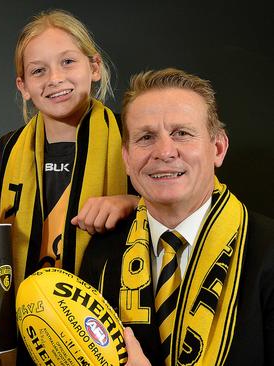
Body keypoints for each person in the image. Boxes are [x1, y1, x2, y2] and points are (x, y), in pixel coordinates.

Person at [80, 68, 274, 365]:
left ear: (218, 148)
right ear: (127, 159)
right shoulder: (102, 254)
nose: (164, 151)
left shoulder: (267, 250)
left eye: (182, 133)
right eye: (146, 137)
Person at [0, 8, 137, 298]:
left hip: (110, 314)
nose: (55, 78)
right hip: (26, 314)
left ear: (94, 67)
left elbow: (182, 214)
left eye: (68, 62)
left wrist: (131, 202)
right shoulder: (7, 148)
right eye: (38, 70)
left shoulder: (132, 134)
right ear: (23, 86)